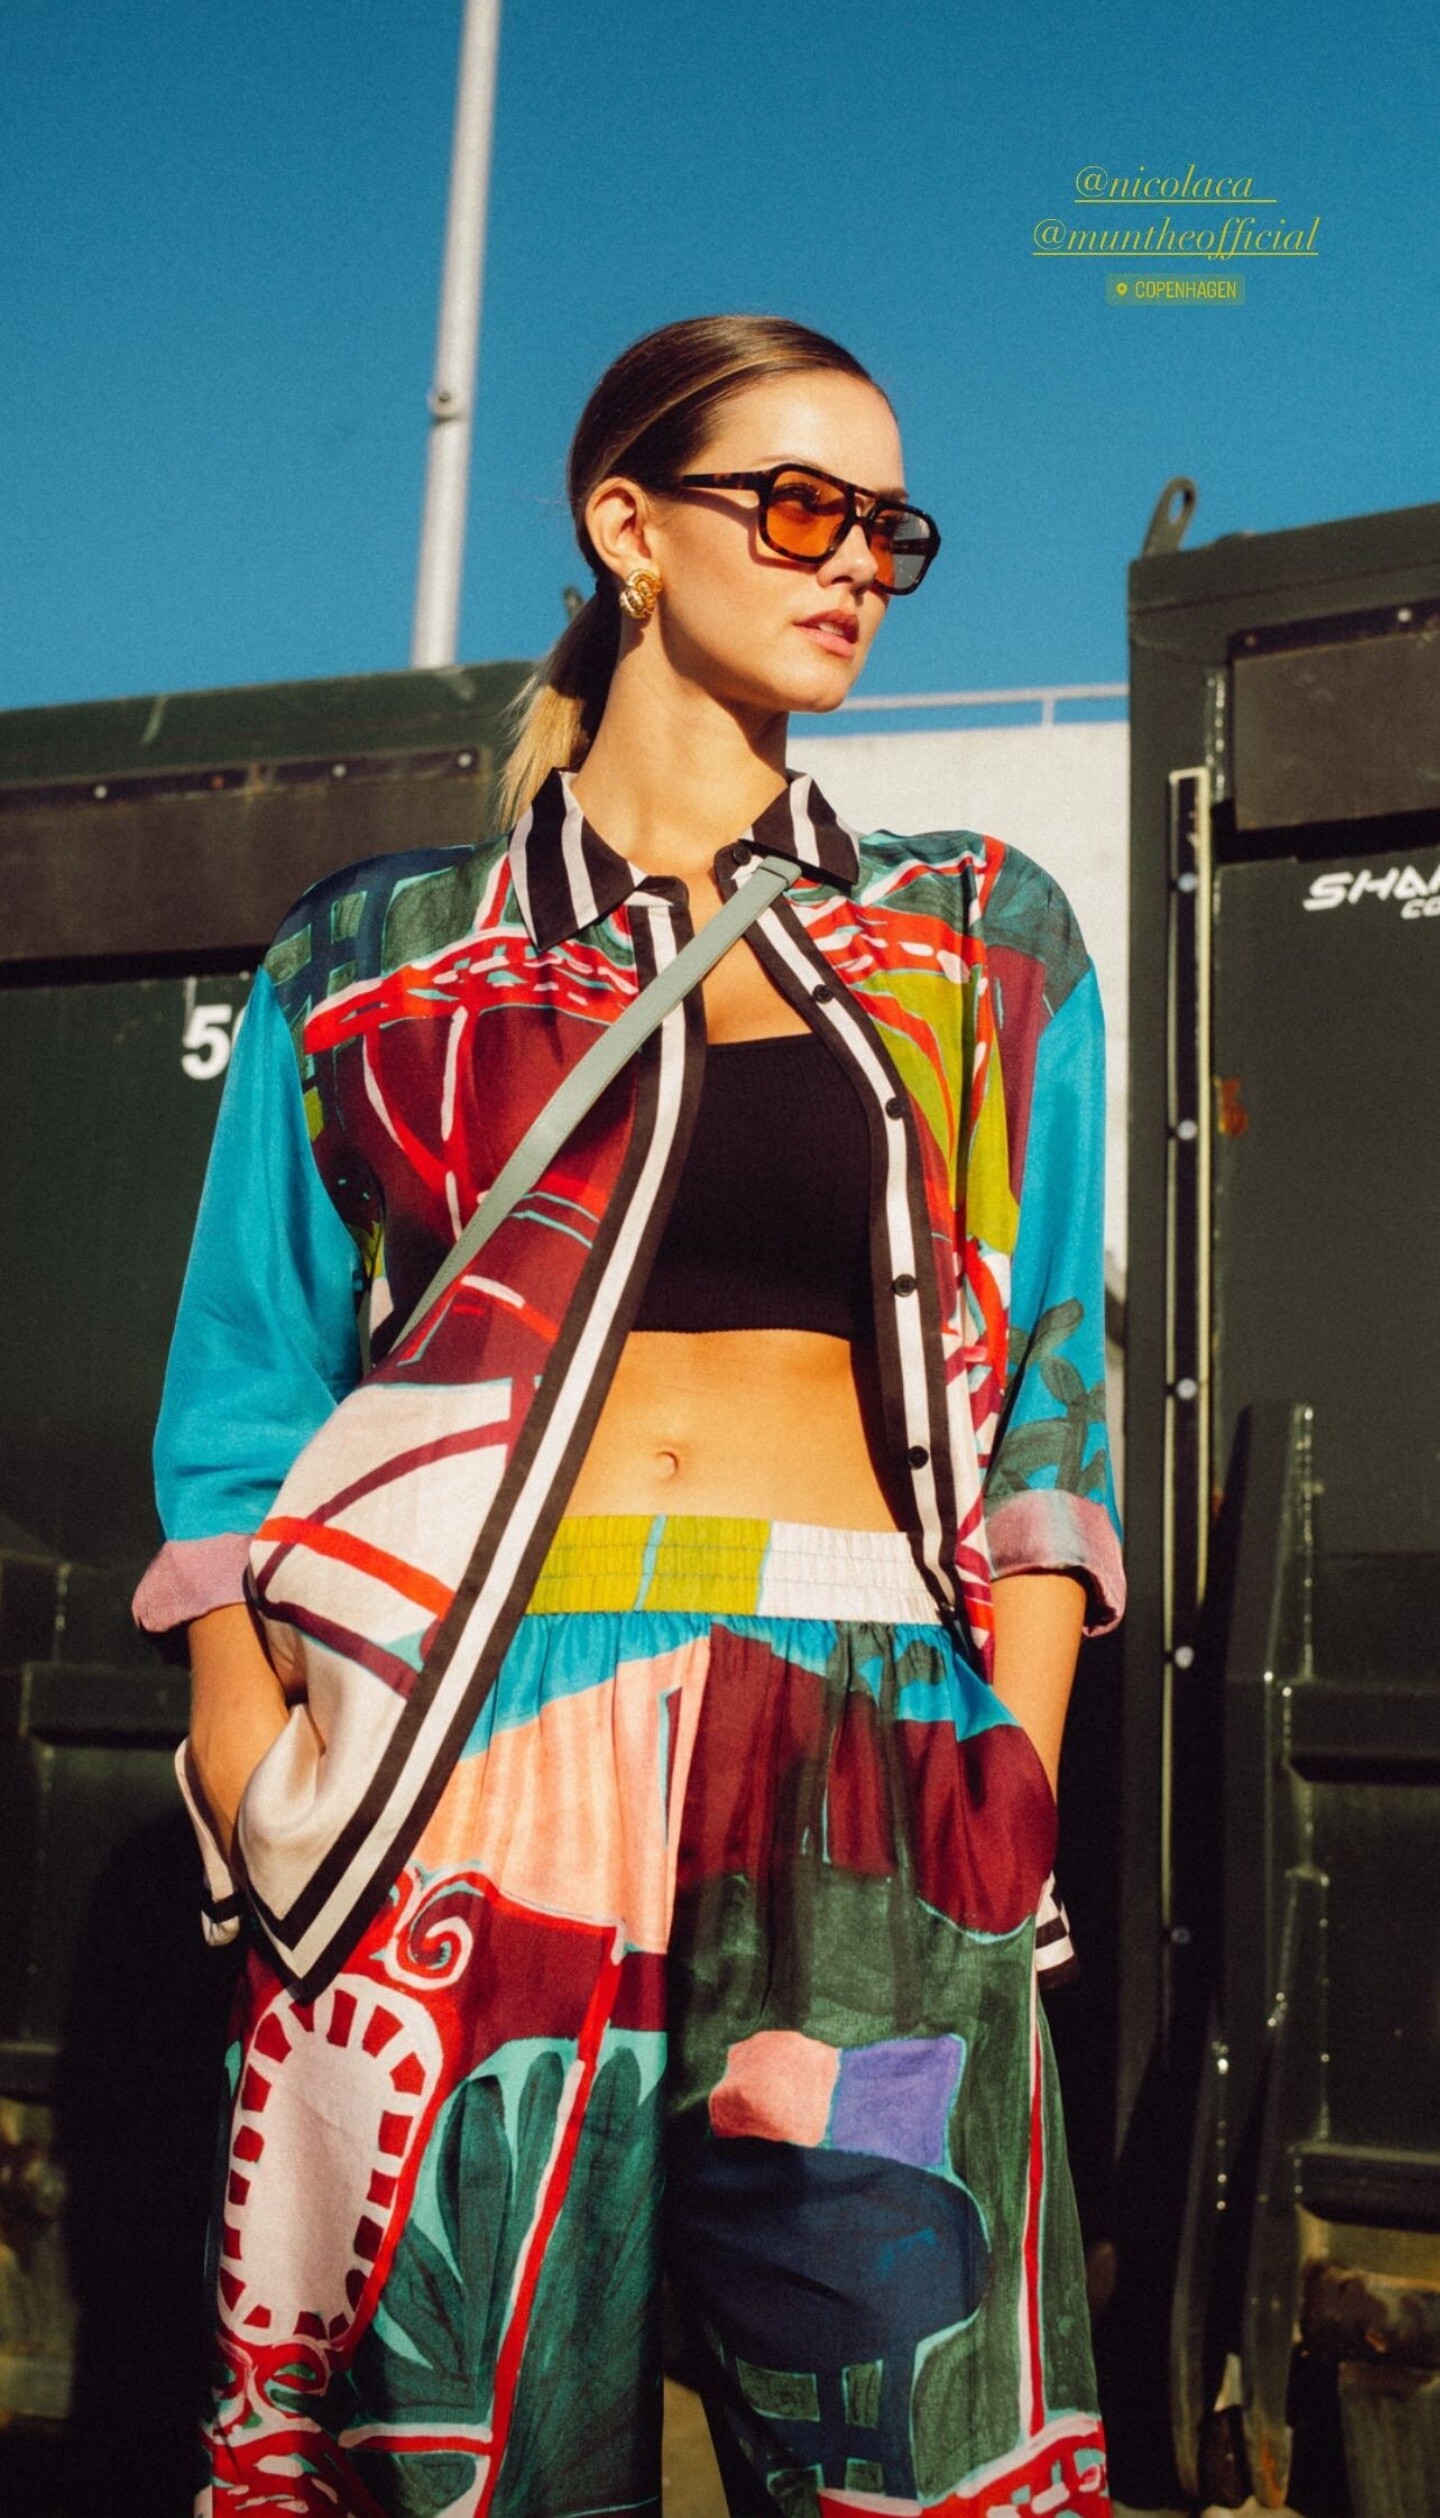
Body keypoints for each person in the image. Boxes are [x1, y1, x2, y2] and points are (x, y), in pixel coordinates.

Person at [134, 313, 1125, 2518]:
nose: (855, 561)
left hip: (865, 1736)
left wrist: (1015, 1770)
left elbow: (1053, 1394)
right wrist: (257, 1763)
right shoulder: (373, 958)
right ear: (628, 529)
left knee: (911, 2421)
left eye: (892, 530)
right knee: (455, 2442)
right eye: (801, 504)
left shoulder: (983, 937)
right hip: (461, 1741)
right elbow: (242, 1395)